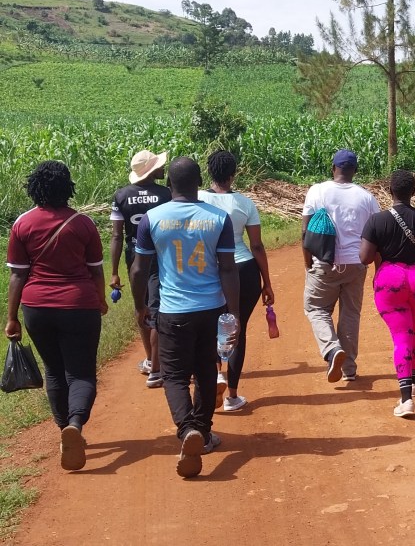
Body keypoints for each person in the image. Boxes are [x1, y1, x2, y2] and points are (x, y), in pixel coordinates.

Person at [130, 157, 240, 478]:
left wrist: (140, 306)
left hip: (172, 310)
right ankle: (202, 432)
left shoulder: (152, 219)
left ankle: (187, 429)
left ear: (169, 185)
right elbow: (228, 268)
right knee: (206, 370)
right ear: (199, 182)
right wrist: (233, 312)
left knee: (175, 376)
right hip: (210, 308)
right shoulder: (218, 219)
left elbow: (139, 269)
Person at [5, 161, 107, 472]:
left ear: (34, 188)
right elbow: (95, 270)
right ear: (67, 187)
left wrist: (12, 317)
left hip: (37, 308)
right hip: (79, 305)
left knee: (54, 371)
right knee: (81, 374)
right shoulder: (83, 224)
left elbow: (17, 276)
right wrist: (100, 299)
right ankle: (75, 425)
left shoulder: (22, 224)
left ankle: (64, 431)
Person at [359, 170, 415, 418]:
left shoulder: (376, 221)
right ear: (414, 192)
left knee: (401, 337)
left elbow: (365, 257)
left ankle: (406, 399)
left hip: (390, 282)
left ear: (390, 191)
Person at [199, 151, 275, 411]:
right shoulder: (245, 204)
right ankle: (232, 395)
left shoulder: (198, 199)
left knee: (209, 327)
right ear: (234, 174)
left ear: (209, 172)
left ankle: (216, 376)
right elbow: (257, 245)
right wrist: (267, 282)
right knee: (237, 329)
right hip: (243, 268)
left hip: (208, 269)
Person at [301, 149, 380, 383]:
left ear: (333, 168)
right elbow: (375, 238)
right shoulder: (367, 198)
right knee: (351, 313)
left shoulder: (317, 191)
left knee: (316, 308)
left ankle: (332, 349)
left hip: (325, 263)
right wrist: (378, 270)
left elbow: (305, 231)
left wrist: (307, 263)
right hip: (356, 263)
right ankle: (349, 369)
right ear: (355, 170)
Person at [110, 149, 171, 388]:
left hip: (134, 257)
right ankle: (157, 367)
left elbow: (117, 236)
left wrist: (114, 272)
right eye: (158, 165)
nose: (162, 168)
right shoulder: (165, 194)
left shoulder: (121, 195)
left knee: (141, 305)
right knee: (157, 308)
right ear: (151, 171)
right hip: (160, 256)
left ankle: (149, 358)